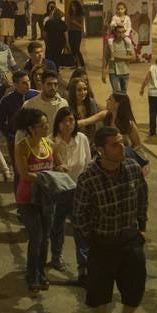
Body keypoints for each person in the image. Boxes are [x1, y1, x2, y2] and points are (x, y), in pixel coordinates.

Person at [75, 126, 149, 313]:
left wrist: (142, 227)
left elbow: (142, 197)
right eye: (115, 144)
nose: (122, 147)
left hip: (130, 240)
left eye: (121, 142)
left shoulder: (132, 167)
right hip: (103, 245)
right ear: (100, 149)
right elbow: (79, 216)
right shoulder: (88, 178)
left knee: (136, 289)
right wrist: (93, 240)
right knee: (100, 294)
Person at [14, 106, 56, 298]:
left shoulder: (50, 144)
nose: (46, 127)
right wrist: (46, 177)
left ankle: (40, 271)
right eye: (42, 125)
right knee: (36, 236)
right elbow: (24, 174)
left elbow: (60, 164)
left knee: (46, 236)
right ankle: (31, 276)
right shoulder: (22, 146)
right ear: (31, 128)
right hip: (27, 199)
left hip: (46, 198)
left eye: (46, 124)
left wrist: (61, 170)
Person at [49, 106, 91, 279]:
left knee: (81, 229)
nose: (69, 124)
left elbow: (87, 164)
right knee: (57, 226)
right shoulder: (50, 142)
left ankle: (83, 265)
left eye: (72, 120)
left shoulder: (82, 139)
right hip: (58, 192)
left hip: (79, 192)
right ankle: (56, 256)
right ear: (58, 124)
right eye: (65, 120)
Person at [0, 70, 36, 152]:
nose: (28, 84)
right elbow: (0, 121)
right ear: (16, 85)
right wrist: (9, 136)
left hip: (34, 138)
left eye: (28, 81)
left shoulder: (36, 95)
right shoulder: (7, 100)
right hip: (15, 141)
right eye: (24, 83)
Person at [104, 22, 136, 95]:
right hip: (113, 72)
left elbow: (133, 57)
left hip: (125, 72)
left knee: (124, 93)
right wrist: (104, 71)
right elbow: (106, 58)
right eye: (119, 32)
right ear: (115, 32)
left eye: (122, 32)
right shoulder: (110, 43)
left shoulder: (127, 42)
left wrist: (117, 56)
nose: (121, 34)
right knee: (117, 93)